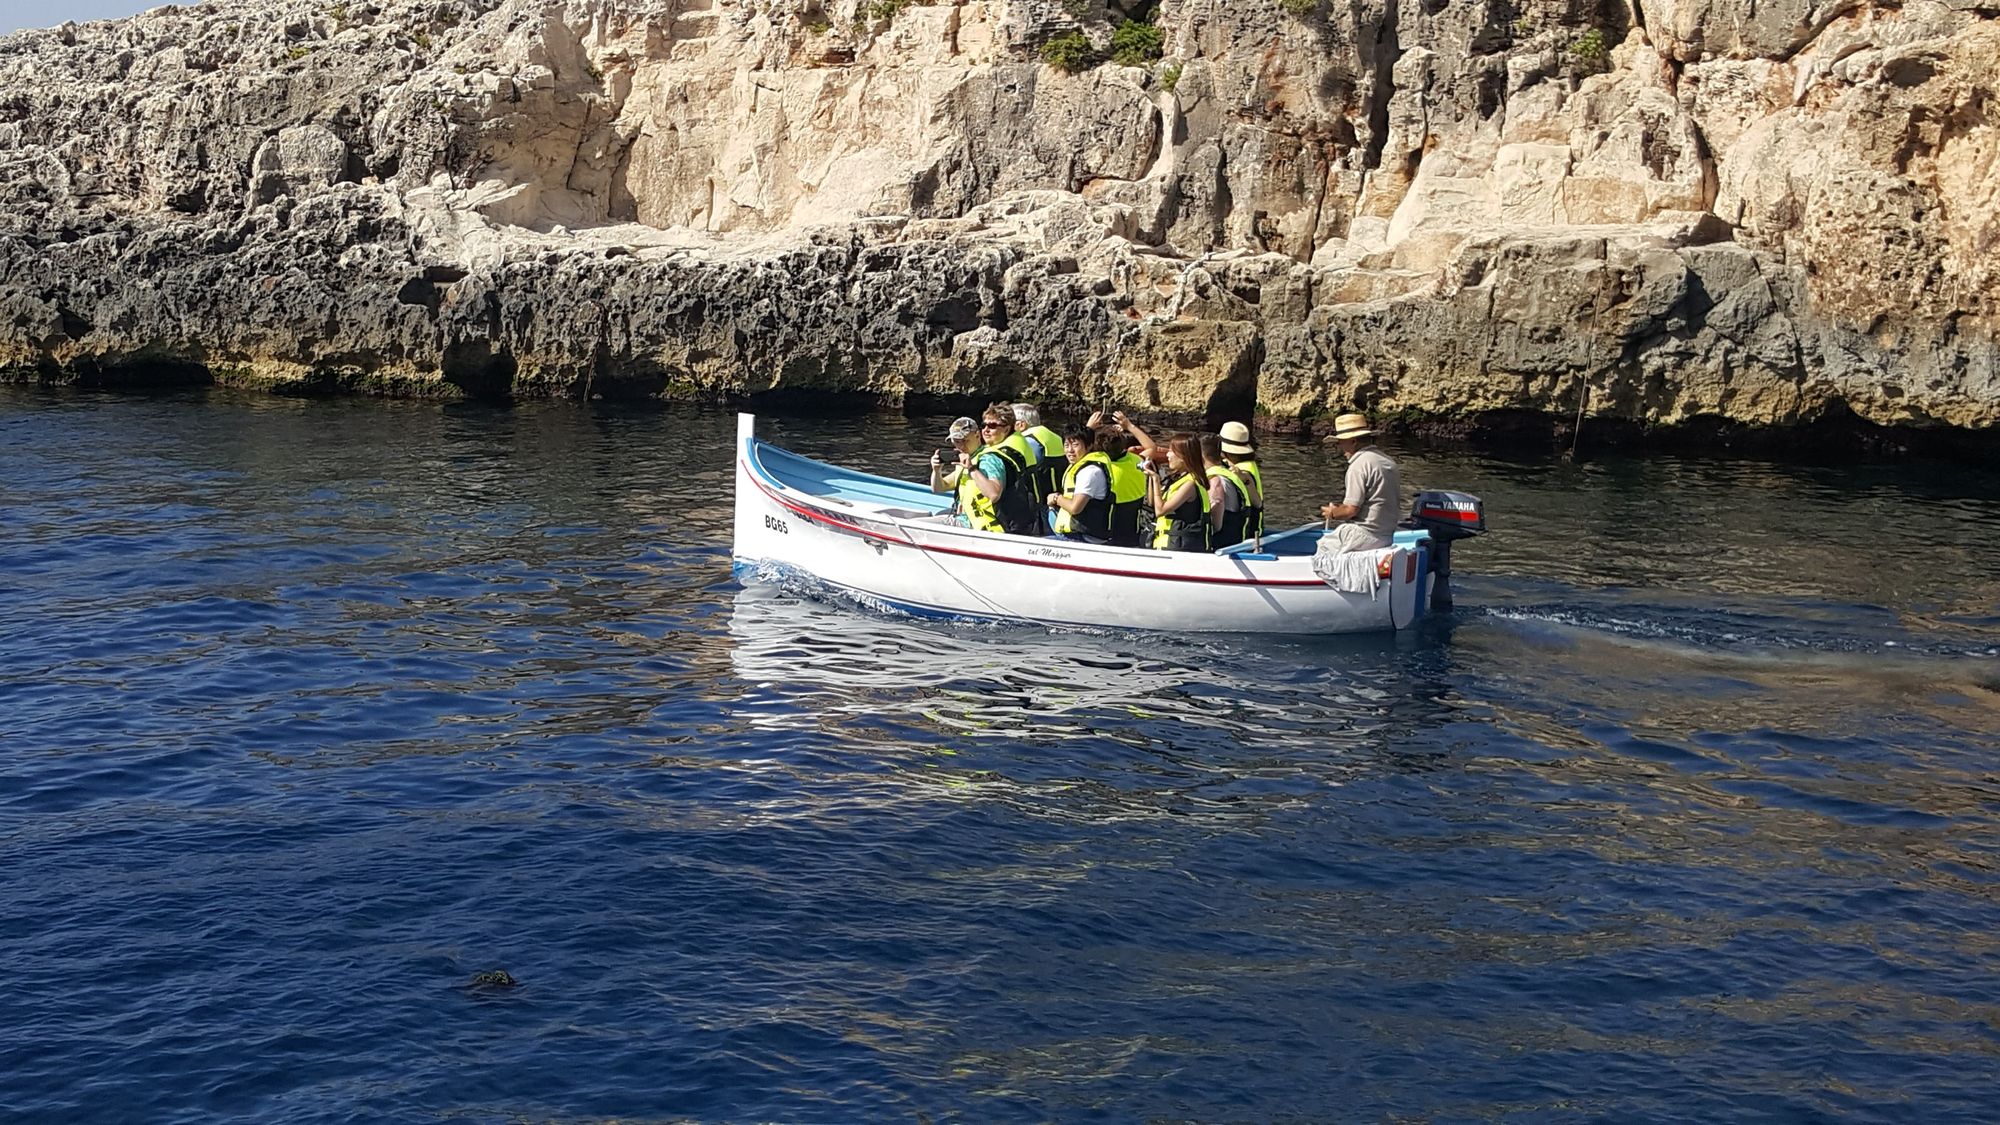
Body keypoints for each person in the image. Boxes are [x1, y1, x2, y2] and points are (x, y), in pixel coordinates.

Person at [1318, 411, 1401, 552]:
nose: (1339, 447)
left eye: (1340, 442)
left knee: (1323, 549)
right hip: (1386, 536)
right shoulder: (1387, 461)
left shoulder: (1358, 465)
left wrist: (1332, 513)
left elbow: (1351, 510)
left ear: (1353, 441)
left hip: (1364, 534)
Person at [1144, 432, 1212, 552]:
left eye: (1171, 451)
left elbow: (1160, 511)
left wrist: (1155, 479)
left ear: (1183, 457)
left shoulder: (1190, 484)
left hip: (1180, 550)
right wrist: (1152, 476)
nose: (1167, 455)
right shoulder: (1176, 479)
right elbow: (1153, 504)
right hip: (1166, 546)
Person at [1045, 425, 1112, 544]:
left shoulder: (1090, 471)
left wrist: (1056, 498)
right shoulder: (1079, 466)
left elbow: (1075, 508)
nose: (1070, 450)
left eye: (1075, 445)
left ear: (1090, 446)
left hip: (1083, 538)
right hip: (1072, 533)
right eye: (1066, 445)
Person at [1199, 432, 1253, 549]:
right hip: (1236, 537)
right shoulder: (1229, 474)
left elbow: (1216, 524)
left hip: (1222, 544)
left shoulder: (1215, 479)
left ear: (1200, 456)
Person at [1217, 420, 1266, 544]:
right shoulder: (1249, 464)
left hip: (1248, 532)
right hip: (1254, 529)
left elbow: (1257, 502)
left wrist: (1243, 478)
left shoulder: (1243, 471)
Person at [1013, 403, 1066, 509]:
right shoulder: (1054, 437)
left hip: (1039, 505)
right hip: (1059, 499)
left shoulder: (1028, 442)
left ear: (1021, 425)